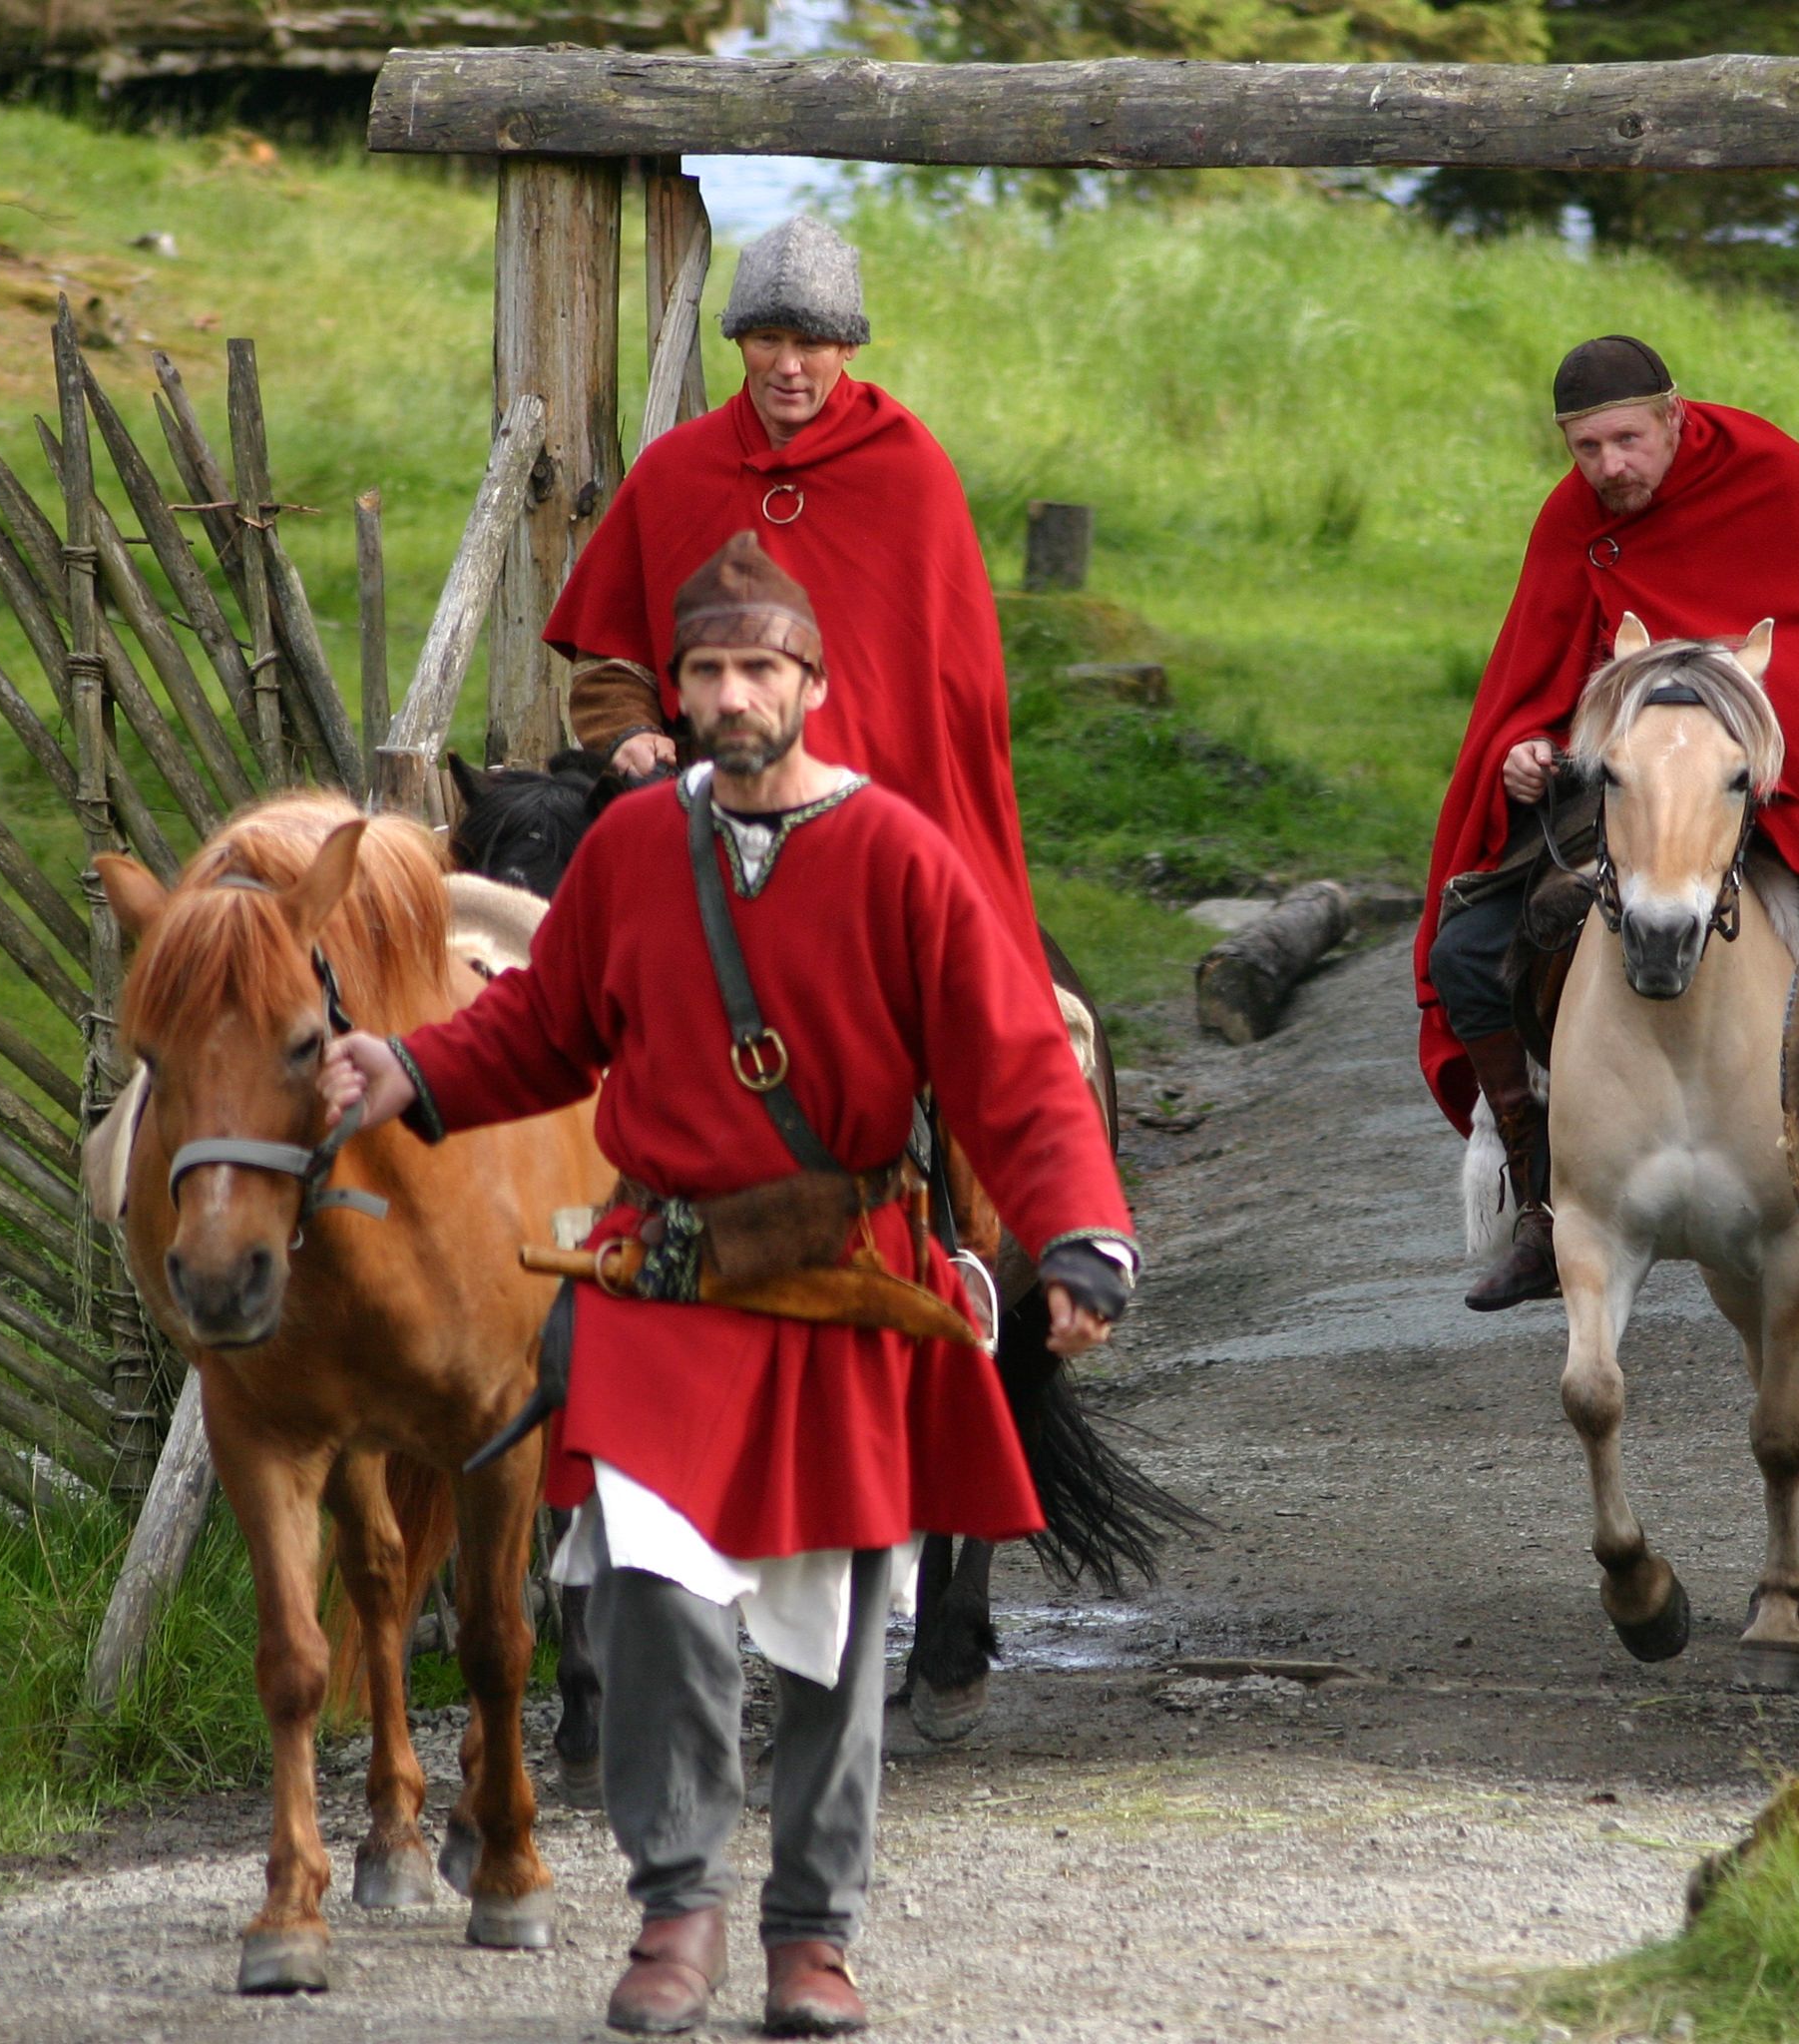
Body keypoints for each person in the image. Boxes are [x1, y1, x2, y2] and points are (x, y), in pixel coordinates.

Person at [322, 532, 1137, 2035]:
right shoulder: (636, 849)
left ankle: (813, 1935)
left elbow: (1011, 1061)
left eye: (760, 666)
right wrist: (410, 1072)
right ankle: (677, 1910)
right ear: (682, 691)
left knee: (832, 1642)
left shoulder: (898, 855)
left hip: (845, 1289)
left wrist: (1079, 1232)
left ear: (811, 682)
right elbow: (546, 1029)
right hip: (669, 1293)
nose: (732, 693)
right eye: (706, 669)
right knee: (659, 1608)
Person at [1416, 334, 1799, 1310]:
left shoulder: (1772, 477)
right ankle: (1544, 1199)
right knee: (1468, 951)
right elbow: (1541, 672)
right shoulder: (1572, 519)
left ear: (1674, 416)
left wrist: (1750, 740)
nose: (1609, 467)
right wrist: (1530, 749)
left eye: (1627, 440)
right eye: (1586, 448)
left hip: (1770, 779)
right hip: (1624, 780)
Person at [547, 213, 1043, 967]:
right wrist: (628, 733)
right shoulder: (676, 473)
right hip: (712, 810)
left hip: (881, 824)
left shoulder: (908, 474)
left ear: (847, 347)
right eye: (767, 339)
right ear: (738, 342)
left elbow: (956, 699)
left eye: (811, 343)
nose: (788, 366)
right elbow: (610, 658)